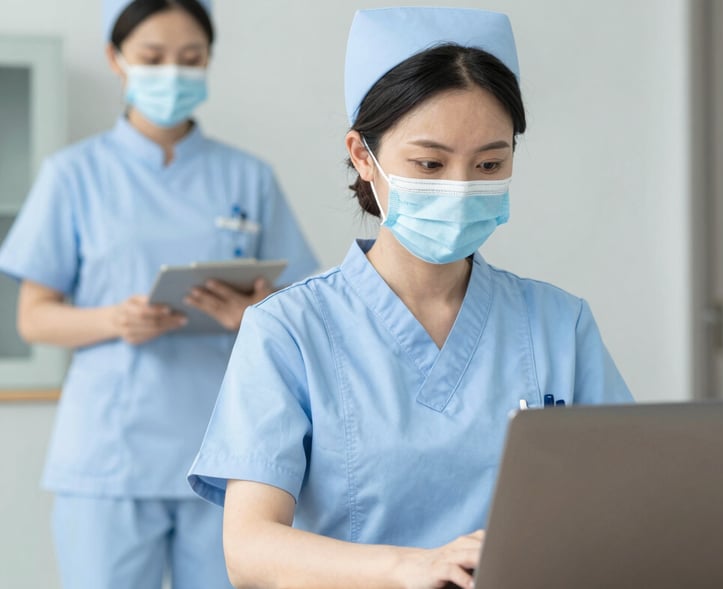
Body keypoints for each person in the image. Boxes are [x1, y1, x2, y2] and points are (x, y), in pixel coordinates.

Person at [188, 7, 633, 589]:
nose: (461, 187)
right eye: (429, 163)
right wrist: (413, 567)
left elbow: (626, 504)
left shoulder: (559, 324)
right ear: (361, 156)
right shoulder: (289, 329)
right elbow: (249, 550)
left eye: (490, 163)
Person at [0, 1, 317, 588]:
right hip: (109, 460)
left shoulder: (248, 177)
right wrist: (112, 320)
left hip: (228, 456)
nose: (172, 72)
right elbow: (35, 319)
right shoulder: (73, 175)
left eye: (190, 58)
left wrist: (249, 314)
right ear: (115, 60)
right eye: (152, 57)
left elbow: (303, 307)